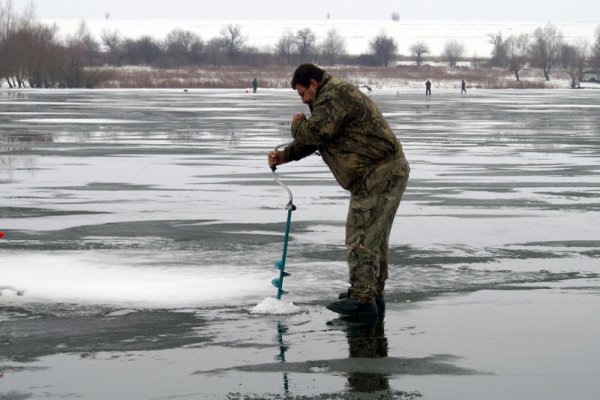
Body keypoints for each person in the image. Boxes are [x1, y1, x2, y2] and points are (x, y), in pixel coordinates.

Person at [268, 63, 410, 319]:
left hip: (378, 173)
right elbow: (318, 139)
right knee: (374, 239)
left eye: (302, 94)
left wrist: (298, 125)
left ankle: (363, 299)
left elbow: (314, 132)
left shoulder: (334, 95)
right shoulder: (328, 100)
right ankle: (371, 292)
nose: (302, 101)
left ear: (313, 83)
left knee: (361, 234)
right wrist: (284, 156)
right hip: (381, 172)